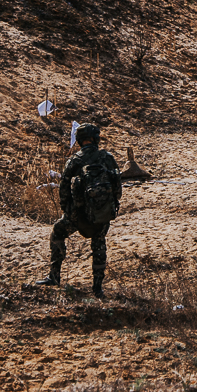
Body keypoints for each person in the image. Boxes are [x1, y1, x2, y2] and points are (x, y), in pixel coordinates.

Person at [47, 122, 121, 297]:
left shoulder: (75, 160)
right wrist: (108, 206)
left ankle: (54, 276)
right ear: (96, 139)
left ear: (79, 141)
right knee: (99, 245)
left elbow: (63, 189)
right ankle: (97, 288)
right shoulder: (107, 157)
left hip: (77, 214)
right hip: (101, 213)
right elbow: (117, 187)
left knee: (58, 232)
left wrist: (68, 211)